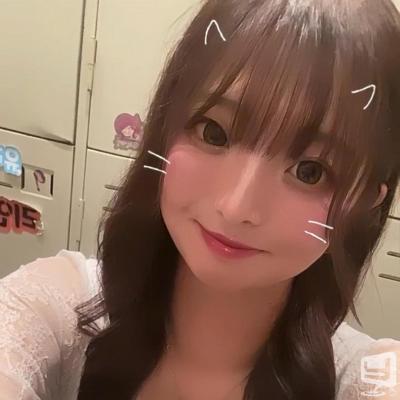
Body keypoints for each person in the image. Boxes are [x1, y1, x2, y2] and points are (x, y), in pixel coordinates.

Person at [1, 0, 400, 399]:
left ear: (367, 201)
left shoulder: (371, 375)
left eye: (310, 171)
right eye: (214, 133)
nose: (236, 208)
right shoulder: (55, 306)